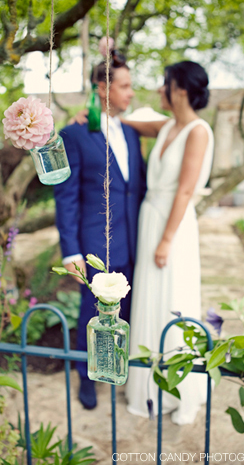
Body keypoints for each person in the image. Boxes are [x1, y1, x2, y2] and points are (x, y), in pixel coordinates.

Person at [53, 52, 146, 410]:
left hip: (134, 241)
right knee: (90, 314)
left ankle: (120, 370)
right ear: (102, 88)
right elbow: (66, 197)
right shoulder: (74, 134)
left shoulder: (132, 132)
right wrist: (71, 251)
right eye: (124, 86)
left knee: (128, 313)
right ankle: (85, 377)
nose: (131, 93)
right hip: (94, 246)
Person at [123, 60, 214, 425]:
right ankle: (147, 387)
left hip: (173, 227)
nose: (159, 90)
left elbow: (186, 190)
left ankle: (178, 391)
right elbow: (127, 123)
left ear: (179, 89)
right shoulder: (167, 126)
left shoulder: (197, 130)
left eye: (164, 84)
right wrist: (95, 114)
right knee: (149, 300)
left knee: (174, 300)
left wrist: (165, 241)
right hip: (150, 217)